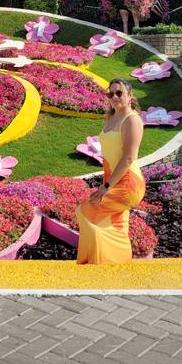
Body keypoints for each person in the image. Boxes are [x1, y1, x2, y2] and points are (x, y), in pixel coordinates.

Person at [76, 77, 145, 265]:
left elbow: (129, 157)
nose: (114, 96)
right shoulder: (112, 117)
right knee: (116, 224)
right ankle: (118, 261)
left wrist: (106, 186)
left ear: (130, 96)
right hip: (113, 180)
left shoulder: (132, 120)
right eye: (110, 93)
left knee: (85, 211)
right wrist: (106, 183)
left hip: (128, 183)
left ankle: (99, 261)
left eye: (119, 93)